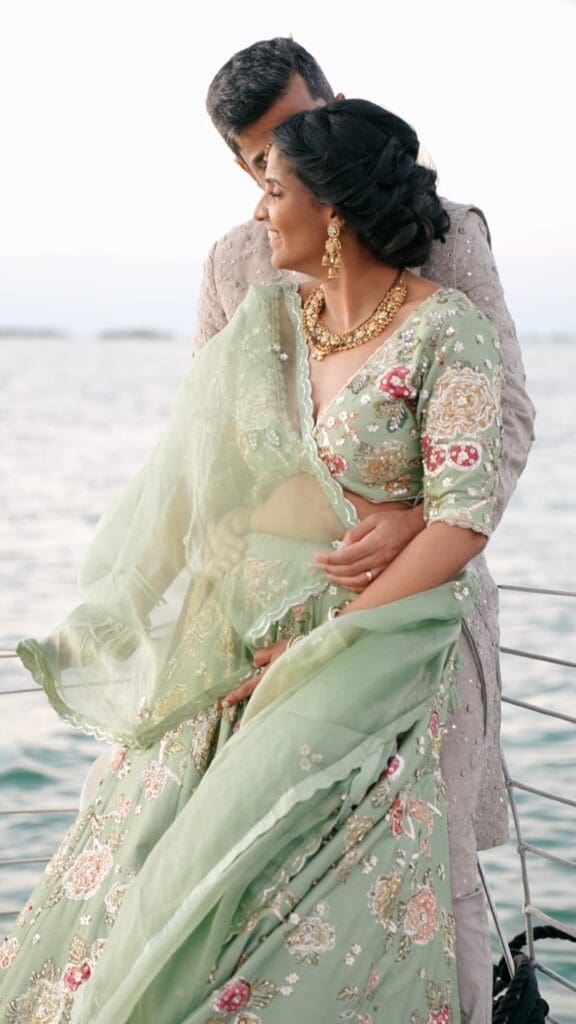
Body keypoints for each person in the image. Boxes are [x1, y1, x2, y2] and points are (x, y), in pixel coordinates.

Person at [1, 96, 506, 1023]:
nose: (260, 210)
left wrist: (320, 648)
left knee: (310, 906)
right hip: (234, 644)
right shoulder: (269, 324)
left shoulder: (449, 331)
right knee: (161, 875)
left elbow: (463, 521)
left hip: (365, 656)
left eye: (275, 190)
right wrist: (130, 604)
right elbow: (201, 474)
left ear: (333, 210)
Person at [193, 38, 536, 1024]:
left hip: (418, 618)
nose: (281, 168)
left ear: (336, 103)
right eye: (261, 160)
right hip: (274, 627)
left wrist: (419, 520)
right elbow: (214, 446)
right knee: (270, 872)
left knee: (435, 866)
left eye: (298, 133)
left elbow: (504, 419)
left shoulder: (444, 239)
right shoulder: (234, 264)